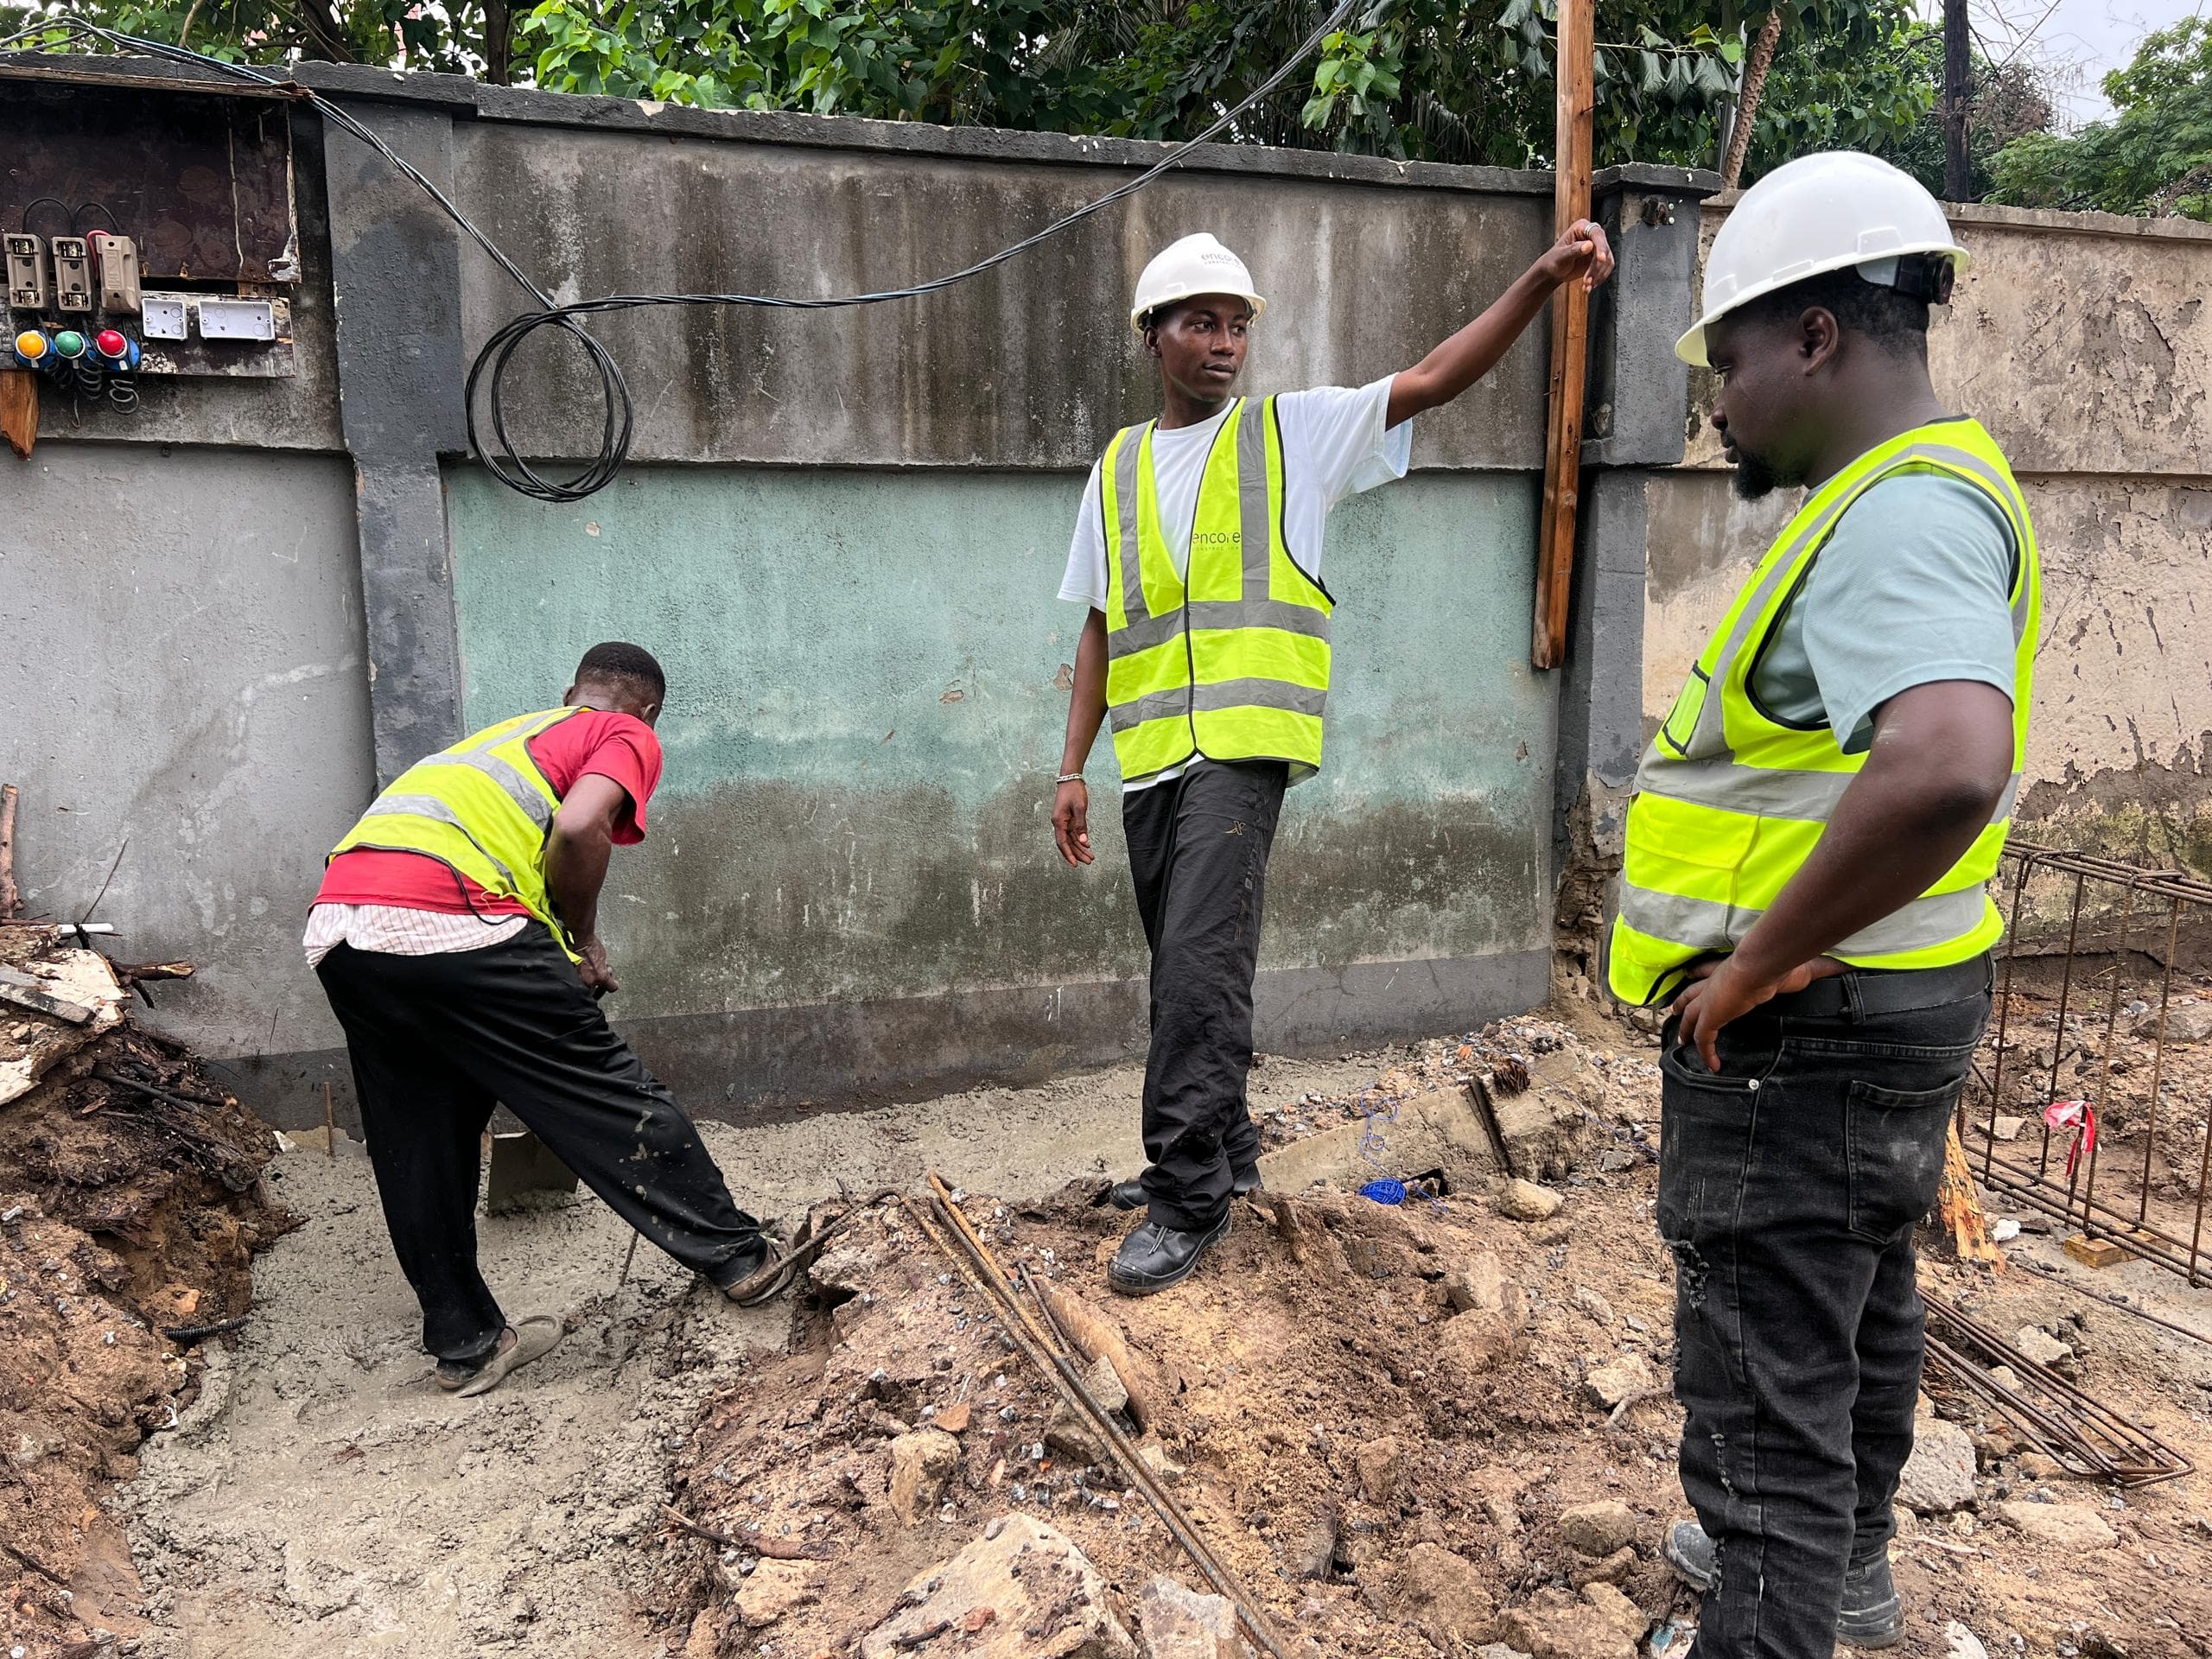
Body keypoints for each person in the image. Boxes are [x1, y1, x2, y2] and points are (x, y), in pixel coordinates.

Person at [1610, 154, 2040, 1656]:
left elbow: (1945, 765)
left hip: (1806, 1025)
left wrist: (1749, 969)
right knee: (1854, 1301)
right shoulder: (1919, 489)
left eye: (1728, 357)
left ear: (1814, 337)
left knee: (1761, 1383)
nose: (1718, 400)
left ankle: (1778, 1590)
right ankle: (1840, 1569)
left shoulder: (1897, 515)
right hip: (1890, 1006)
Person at [1052, 223, 1613, 1297]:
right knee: (1186, 967)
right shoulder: (1117, 467)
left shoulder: (1289, 435)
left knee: (1196, 977)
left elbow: (1435, 377)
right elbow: (1095, 622)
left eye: (1237, 326)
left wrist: (1540, 278)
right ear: (1151, 337)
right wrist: (1070, 766)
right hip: (1152, 757)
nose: (1223, 343)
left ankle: (1187, 1197)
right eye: (1200, 323)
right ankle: (1225, 1149)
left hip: (1245, 750)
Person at [306, 643, 789, 1397]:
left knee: (417, 1136)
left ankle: (466, 1342)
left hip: (342, 930)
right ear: (647, 709)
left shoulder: (494, 741)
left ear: (570, 692)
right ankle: (742, 1260)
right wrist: (583, 936)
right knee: (603, 1092)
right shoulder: (624, 731)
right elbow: (576, 829)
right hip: (454, 915)